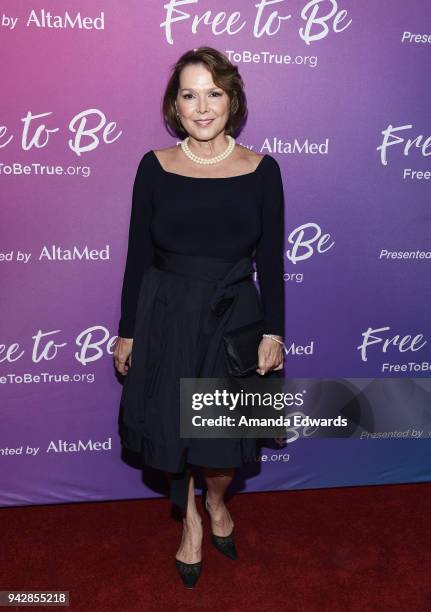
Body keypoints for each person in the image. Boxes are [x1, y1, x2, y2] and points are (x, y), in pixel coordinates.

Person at [113, 46, 285, 588]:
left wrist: (274, 331)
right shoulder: (155, 166)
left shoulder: (261, 169)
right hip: (165, 314)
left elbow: (272, 260)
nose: (202, 106)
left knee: (223, 445)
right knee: (172, 435)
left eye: (214, 92)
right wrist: (128, 330)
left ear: (232, 101)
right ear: (175, 106)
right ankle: (188, 521)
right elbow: (138, 254)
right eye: (190, 94)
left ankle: (216, 502)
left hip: (235, 318)